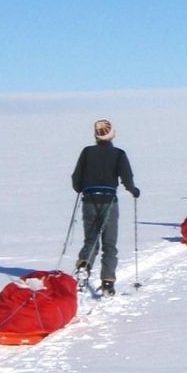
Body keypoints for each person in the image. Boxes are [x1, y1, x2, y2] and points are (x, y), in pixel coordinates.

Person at [71, 119, 140, 296]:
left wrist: (81, 187)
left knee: (91, 239)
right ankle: (108, 283)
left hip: (89, 199)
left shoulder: (87, 152)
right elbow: (126, 177)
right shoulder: (119, 154)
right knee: (109, 243)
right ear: (112, 134)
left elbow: (76, 178)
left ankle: (84, 265)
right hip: (109, 200)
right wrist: (134, 191)